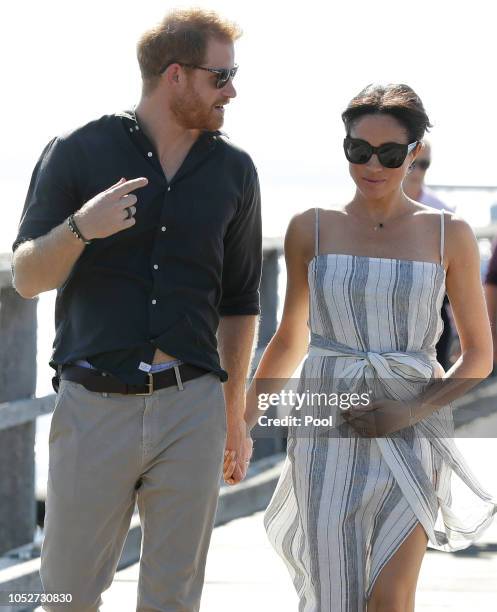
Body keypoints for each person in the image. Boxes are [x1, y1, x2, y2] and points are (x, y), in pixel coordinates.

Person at [12, 8, 259, 611]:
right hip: (94, 404)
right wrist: (80, 229)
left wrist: (233, 415)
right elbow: (25, 277)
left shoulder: (234, 170)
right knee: (67, 595)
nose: (233, 89)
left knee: (173, 599)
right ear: (175, 75)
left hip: (192, 406)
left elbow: (240, 300)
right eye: (220, 76)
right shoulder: (79, 151)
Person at [240, 84, 497, 612]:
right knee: (335, 595)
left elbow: (478, 357)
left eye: (389, 153)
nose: (371, 164)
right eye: (358, 150)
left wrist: (408, 412)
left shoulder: (452, 235)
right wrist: (241, 422)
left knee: (390, 600)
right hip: (325, 432)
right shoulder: (310, 227)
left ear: (415, 152)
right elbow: (291, 336)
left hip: (413, 430)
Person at [404, 140, 455, 370]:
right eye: (414, 163)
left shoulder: (443, 212)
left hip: (433, 312)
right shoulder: (374, 209)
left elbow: (455, 271)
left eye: (424, 164)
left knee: (433, 387)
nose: (418, 170)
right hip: (389, 310)